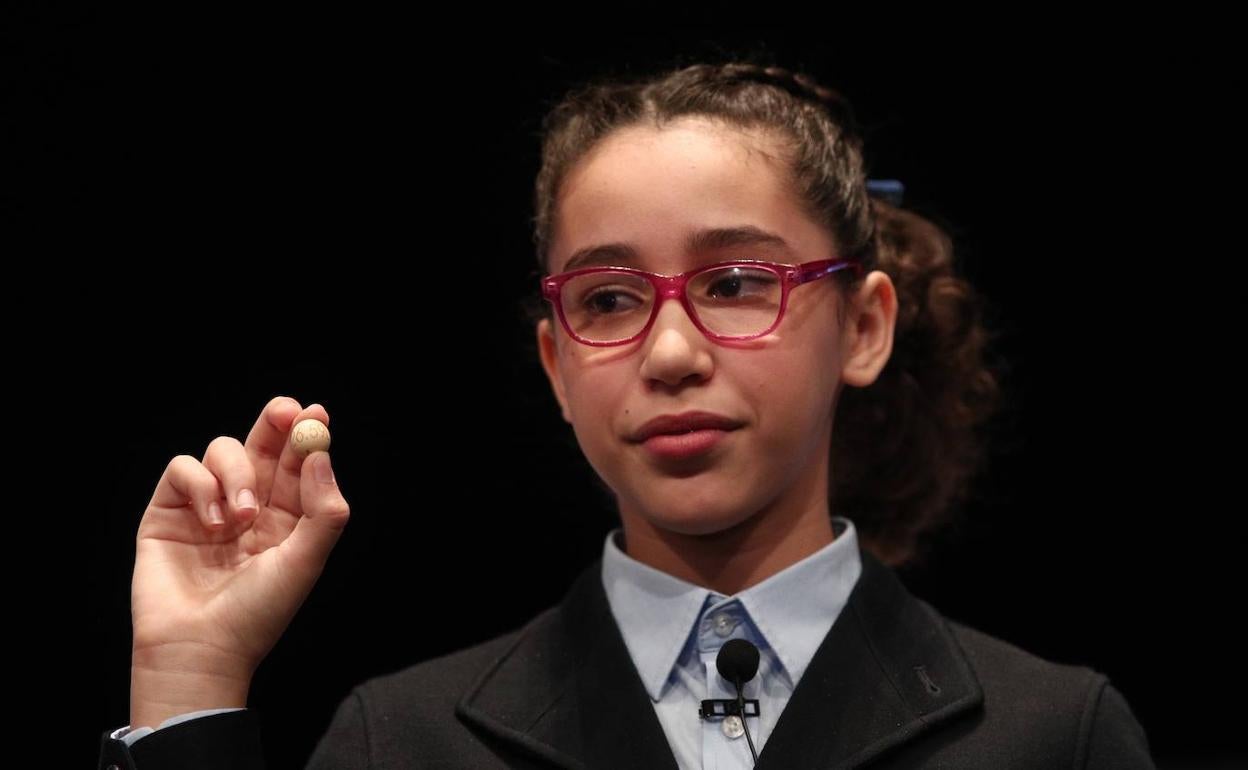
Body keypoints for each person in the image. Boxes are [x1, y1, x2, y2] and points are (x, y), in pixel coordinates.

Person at [98, 59, 1156, 769]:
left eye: (738, 280)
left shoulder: (1055, 734)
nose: (671, 351)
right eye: (608, 300)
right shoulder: (402, 738)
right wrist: (189, 675)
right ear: (557, 363)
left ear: (865, 326)